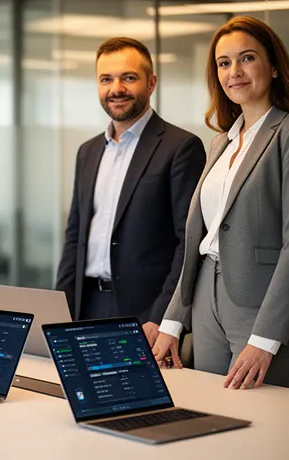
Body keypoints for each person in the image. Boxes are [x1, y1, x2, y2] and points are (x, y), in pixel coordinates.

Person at [153, 16, 289, 390]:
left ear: (275, 66)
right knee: (211, 414)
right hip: (205, 299)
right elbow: (200, 240)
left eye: (247, 58)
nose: (234, 71)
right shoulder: (222, 142)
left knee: (261, 424)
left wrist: (266, 338)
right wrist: (172, 322)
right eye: (223, 62)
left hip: (262, 304)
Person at [55, 37, 206, 346]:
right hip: (86, 306)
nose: (116, 89)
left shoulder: (180, 148)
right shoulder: (88, 152)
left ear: (151, 84)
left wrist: (163, 315)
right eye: (106, 79)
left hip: (144, 313)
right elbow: (75, 238)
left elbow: (188, 241)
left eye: (129, 77)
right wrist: (60, 307)